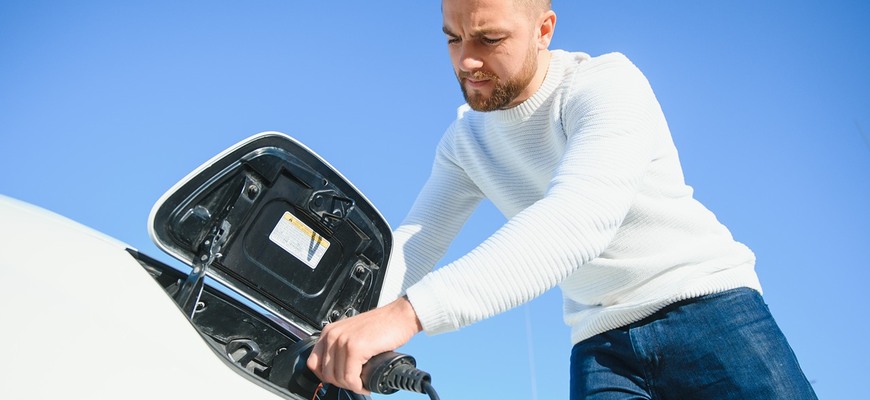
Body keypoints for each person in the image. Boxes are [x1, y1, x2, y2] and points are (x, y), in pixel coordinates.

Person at [307, 0, 818, 398]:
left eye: (489, 38)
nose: (467, 59)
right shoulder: (465, 143)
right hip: (601, 348)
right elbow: (411, 249)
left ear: (544, 29)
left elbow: (579, 217)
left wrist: (404, 315)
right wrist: (334, 321)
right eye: (453, 38)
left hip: (710, 313)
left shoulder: (606, 85)